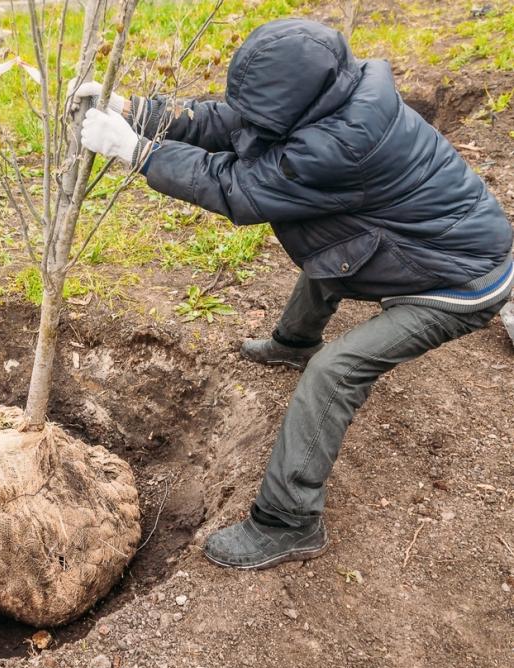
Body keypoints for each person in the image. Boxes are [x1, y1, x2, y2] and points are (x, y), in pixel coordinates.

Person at [78, 18, 513, 569]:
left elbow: (236, 185)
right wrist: (134, 108)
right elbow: (233, 120)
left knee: (336, 371)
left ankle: (289, 522)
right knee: (330, 255)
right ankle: (292, 342)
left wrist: (138, 152)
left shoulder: (341, 145)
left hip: (460, 280)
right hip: (422, 243)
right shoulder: (328, 94)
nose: (253, 117)